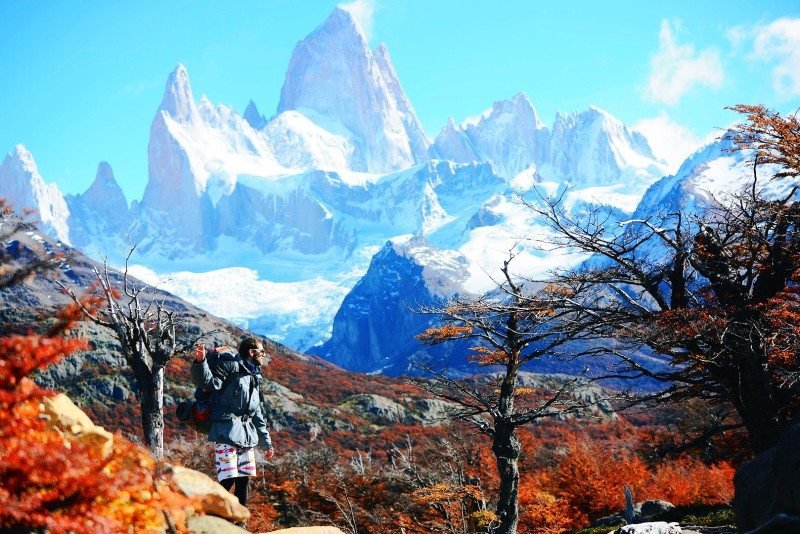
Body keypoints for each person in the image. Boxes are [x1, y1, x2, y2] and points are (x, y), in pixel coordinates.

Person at [191, 337, 274, 513]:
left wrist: (267, 443)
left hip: (246, 435)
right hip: (226, 431)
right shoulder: (231, 367)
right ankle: (204, 512)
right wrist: (201, 362)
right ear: (252, 352)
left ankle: (239, 525)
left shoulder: (254, 376)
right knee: (228, 479)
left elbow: (256, 413)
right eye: (262, 352)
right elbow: (209, 383)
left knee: (244, 481)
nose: (263, 356)